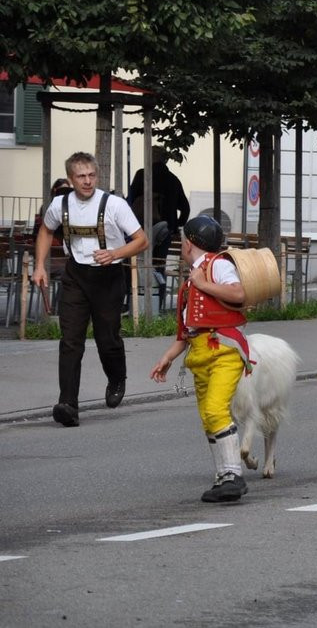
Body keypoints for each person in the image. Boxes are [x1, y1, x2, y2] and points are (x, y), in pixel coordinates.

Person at [32, 152, 149, 427]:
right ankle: (68, 404)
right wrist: (39, 266)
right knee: (70, 340)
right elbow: (47, 231)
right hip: (76, 275)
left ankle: (117, 376)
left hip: (108, 277)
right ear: (71, 179)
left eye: (91, 175)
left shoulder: (114, 205)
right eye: (81, 176)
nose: (87, 181)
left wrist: (115, 253)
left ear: (97, 175)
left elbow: (141, 240)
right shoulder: (59, 205)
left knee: (106, 338)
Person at [150, 216, 252, 502]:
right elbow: (186, 331)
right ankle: (223, 476)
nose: (182, 244)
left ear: (190, 242)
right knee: (208, 417)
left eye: (183, 239)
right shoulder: (193, 277)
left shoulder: (217, 265)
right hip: (200, 353)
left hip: (224, 349)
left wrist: (203, 284)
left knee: (216, 409)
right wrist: (167, 358)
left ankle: (233, 476)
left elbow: (238, 292)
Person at [127, 146, 191, 274]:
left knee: (135, 264)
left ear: (149, 158)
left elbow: (130, 200)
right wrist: (175, 226)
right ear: (165, 160)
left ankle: (134, 291)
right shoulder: (173, 180)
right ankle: (159, 292)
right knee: (159, 264)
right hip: (165, 230)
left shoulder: (142, 175)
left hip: (140, 229)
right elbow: (185, 208)